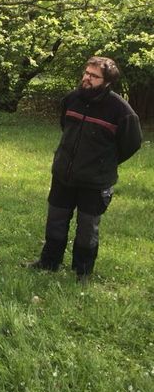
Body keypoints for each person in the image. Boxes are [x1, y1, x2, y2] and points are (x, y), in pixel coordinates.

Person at [28, 56, 142, 282]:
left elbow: (132, 143)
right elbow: (65, 127)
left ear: (107, 81)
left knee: (87, 229)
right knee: (56, 221)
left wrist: (105, 162)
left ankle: (82, 272)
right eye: (86, 73)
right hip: (64, 174)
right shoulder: (71, 100)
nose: (87, 78)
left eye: (94, 76)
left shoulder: (121, 110)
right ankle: (49, 262)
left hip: (95, 181)